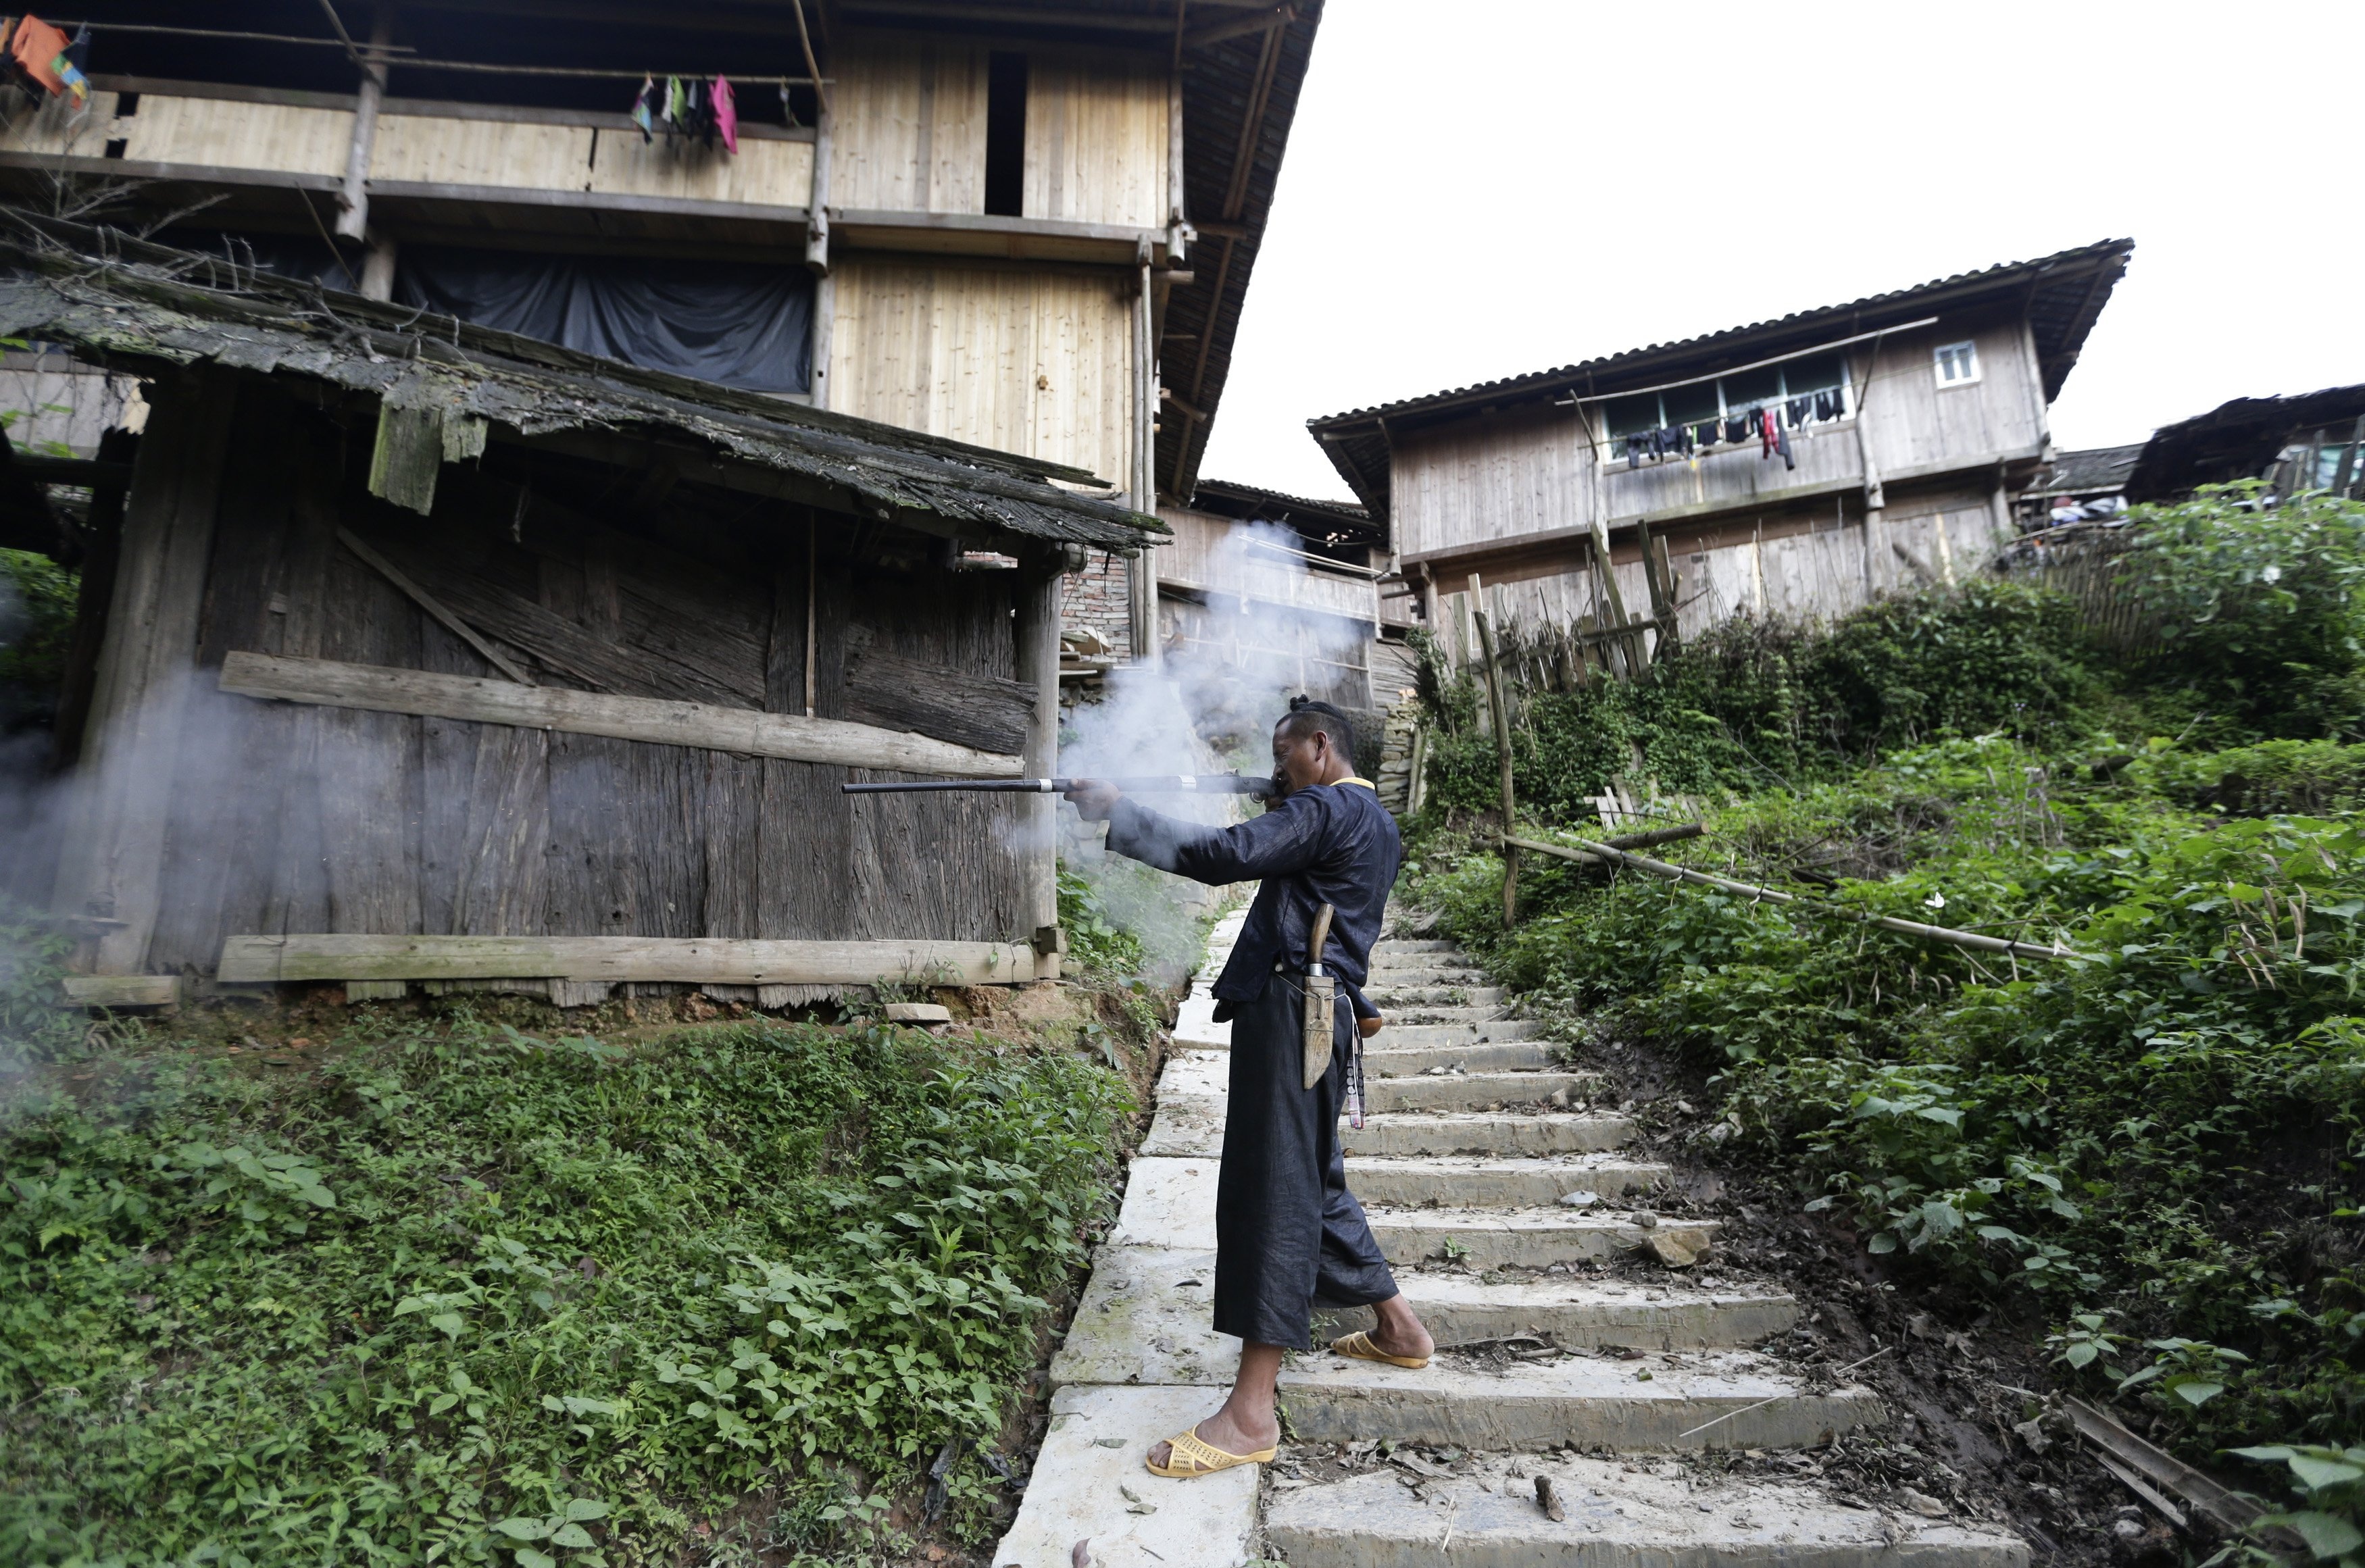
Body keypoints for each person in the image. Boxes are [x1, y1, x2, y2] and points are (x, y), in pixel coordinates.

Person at [1063, 697, 1435, 1479]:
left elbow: (1225, 852)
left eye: (1283, 751)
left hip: (1293, 1010)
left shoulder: (1324, 807)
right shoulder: (1372, 819)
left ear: (1321, 746)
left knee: (1276, 1187)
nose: (1276, 766)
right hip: (1318, 1008)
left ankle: (1250, 1411)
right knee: (1312, 1176)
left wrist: (1120, 812)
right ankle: (1399, 1330)